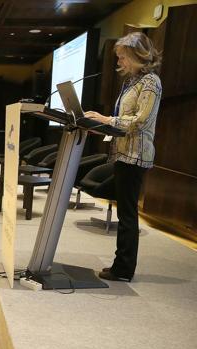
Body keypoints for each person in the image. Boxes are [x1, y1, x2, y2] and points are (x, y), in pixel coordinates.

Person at [84, 32, 162, 282]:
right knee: (124, 212)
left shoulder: (151, 82)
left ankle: (124, 269)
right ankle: (121, 264)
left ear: (137, 55)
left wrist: (107, 120)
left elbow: (141, 121)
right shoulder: (131, 82)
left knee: (127, 213)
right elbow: (122, 119)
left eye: (123, 57)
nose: (120, 62)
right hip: (122, 152)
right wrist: (99, 123)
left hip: (136, 154)